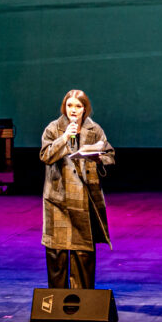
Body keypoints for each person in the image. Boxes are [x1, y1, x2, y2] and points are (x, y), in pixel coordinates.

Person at [39, 89, 115, 289]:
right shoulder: (54, 128)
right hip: (58, 200)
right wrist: (64, 138)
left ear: (85, 109)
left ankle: (81, 303)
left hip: (83, 200)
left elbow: (110, 155)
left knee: (83, 254)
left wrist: (98, 157)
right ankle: (57, 303)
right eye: (70, 105)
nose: (73, 110)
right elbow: (45, 156)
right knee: (57, 253)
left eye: (78, 106)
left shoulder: (94, 129)